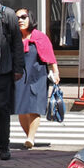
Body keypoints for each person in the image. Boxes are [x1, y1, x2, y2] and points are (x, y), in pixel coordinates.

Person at [13, 9, 58, 150]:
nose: (20, 20)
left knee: (34, 107)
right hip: (19, 76)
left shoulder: (40, 37)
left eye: (23, 17)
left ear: (30, 18)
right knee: (21, 108)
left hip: (38, 75)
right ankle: (29, 136)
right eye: (17, 18)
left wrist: (55, 72)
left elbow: (50, 56)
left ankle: (30, 138)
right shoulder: (13, 38)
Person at [0, 0, 24, 160]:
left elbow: (17, 43)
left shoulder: (6, 14)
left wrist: (18, 68)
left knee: (0, 107)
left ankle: (3, 145)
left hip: (1, 68)